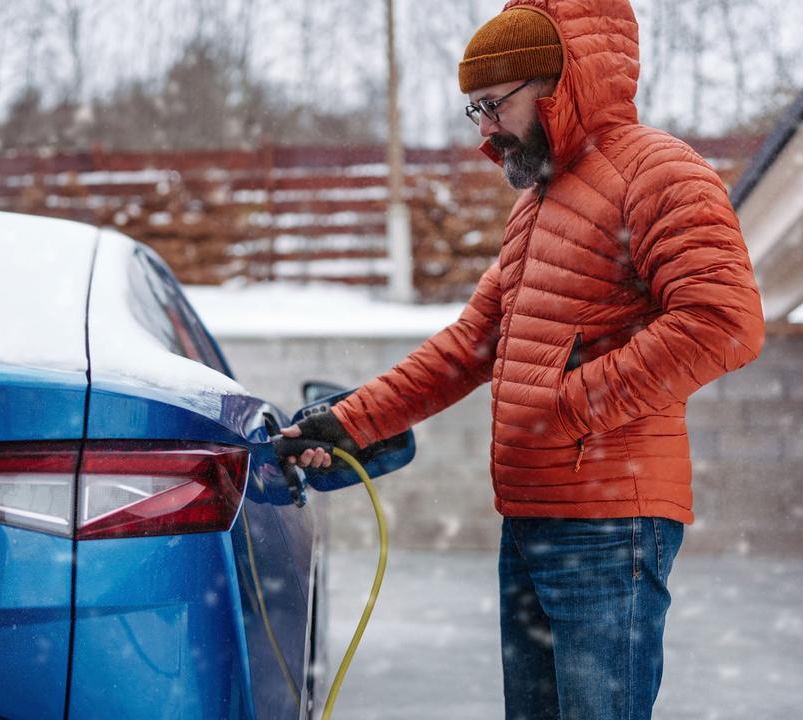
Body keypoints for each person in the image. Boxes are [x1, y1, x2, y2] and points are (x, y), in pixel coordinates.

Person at [280, 1, 765, 718]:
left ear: (556, 83)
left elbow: (724, 322)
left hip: (610, 524)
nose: (483, 128)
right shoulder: (538, 203)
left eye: (492, 105)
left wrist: (567, 405)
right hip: (533, 517)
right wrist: (349, 422)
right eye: (472, 108)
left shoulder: (659, 173)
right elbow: (469, 347)